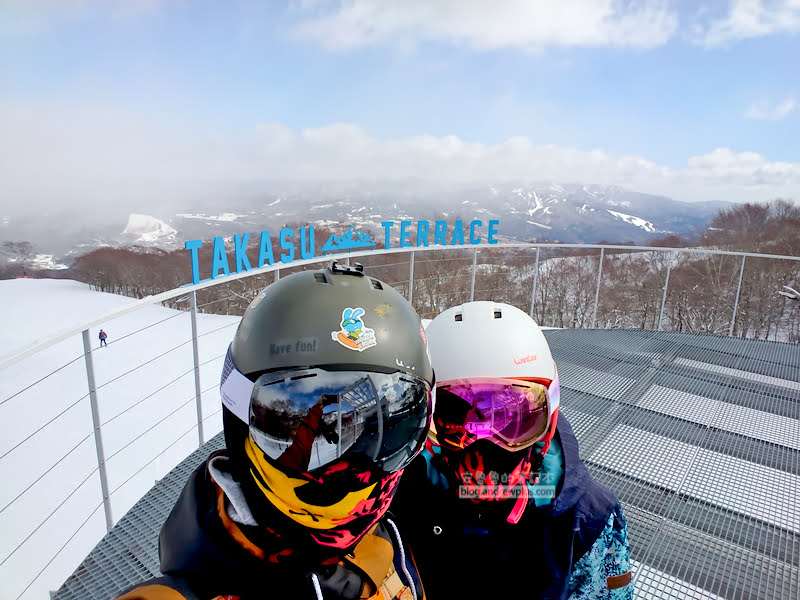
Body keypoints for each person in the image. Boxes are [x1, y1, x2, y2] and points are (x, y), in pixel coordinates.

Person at [116, 261, 434, 600]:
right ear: (240, 424)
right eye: (288, 413)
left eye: (391, 435)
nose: (349, 475)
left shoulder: (386, 538)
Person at [390, 301, 632, 600]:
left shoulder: (585, 517)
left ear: (549, 413)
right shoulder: (396, 494)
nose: (485, 445)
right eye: (456, 417)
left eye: (513, 419)